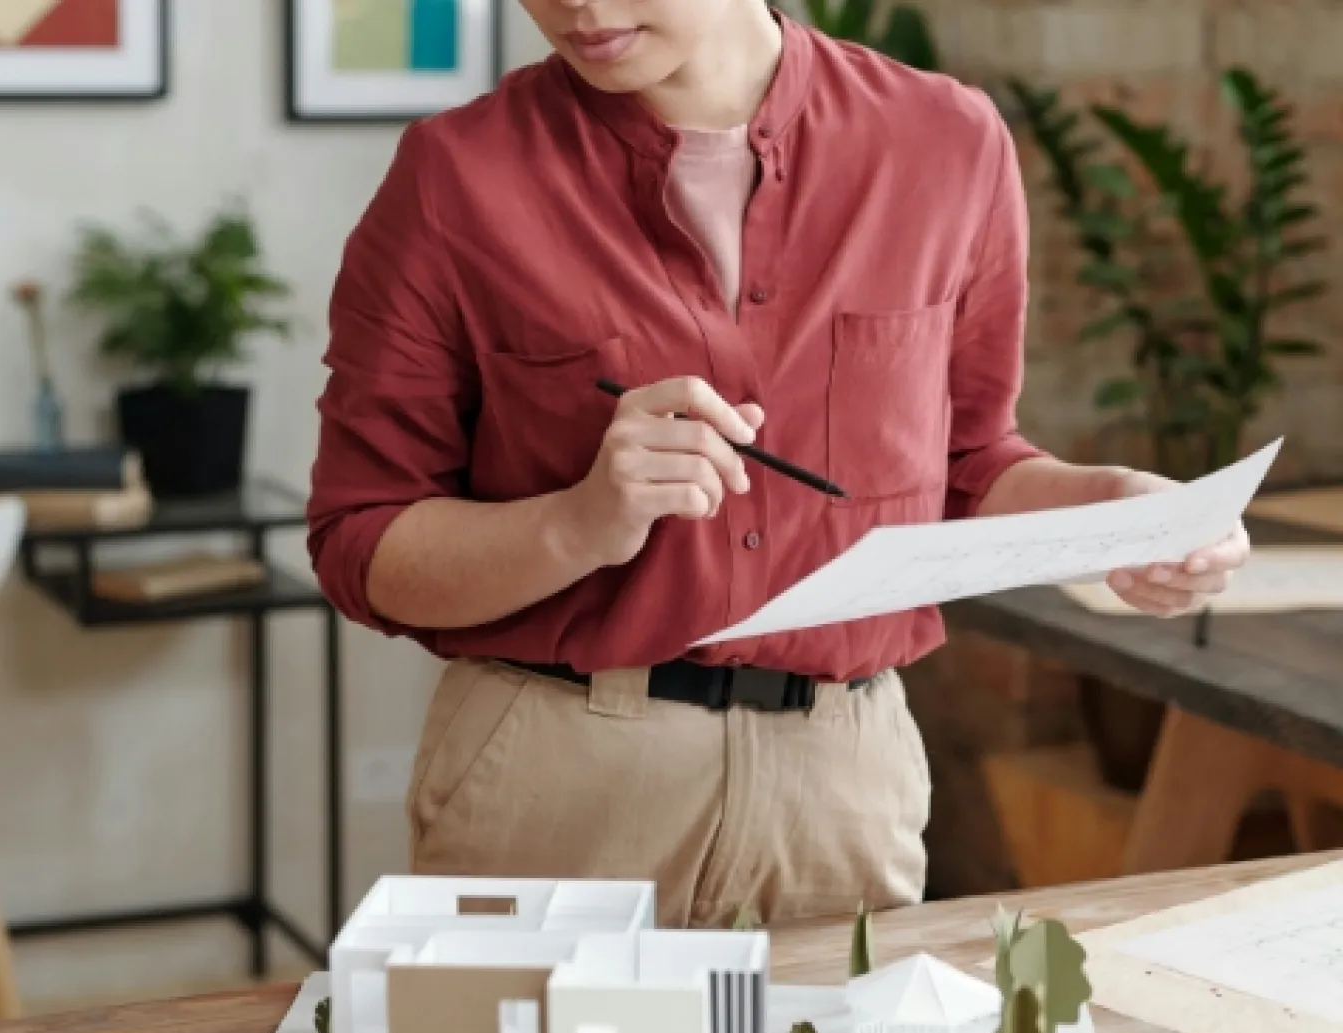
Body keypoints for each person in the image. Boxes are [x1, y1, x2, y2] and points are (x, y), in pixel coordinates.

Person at [307, 0, 1249, 929]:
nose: (578, 6)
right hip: (558, 779)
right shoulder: (456, 176)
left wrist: (1110, 510)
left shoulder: (946, 143)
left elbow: (966, 464)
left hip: (843, 788)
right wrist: (576, 522)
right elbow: (364, 543)